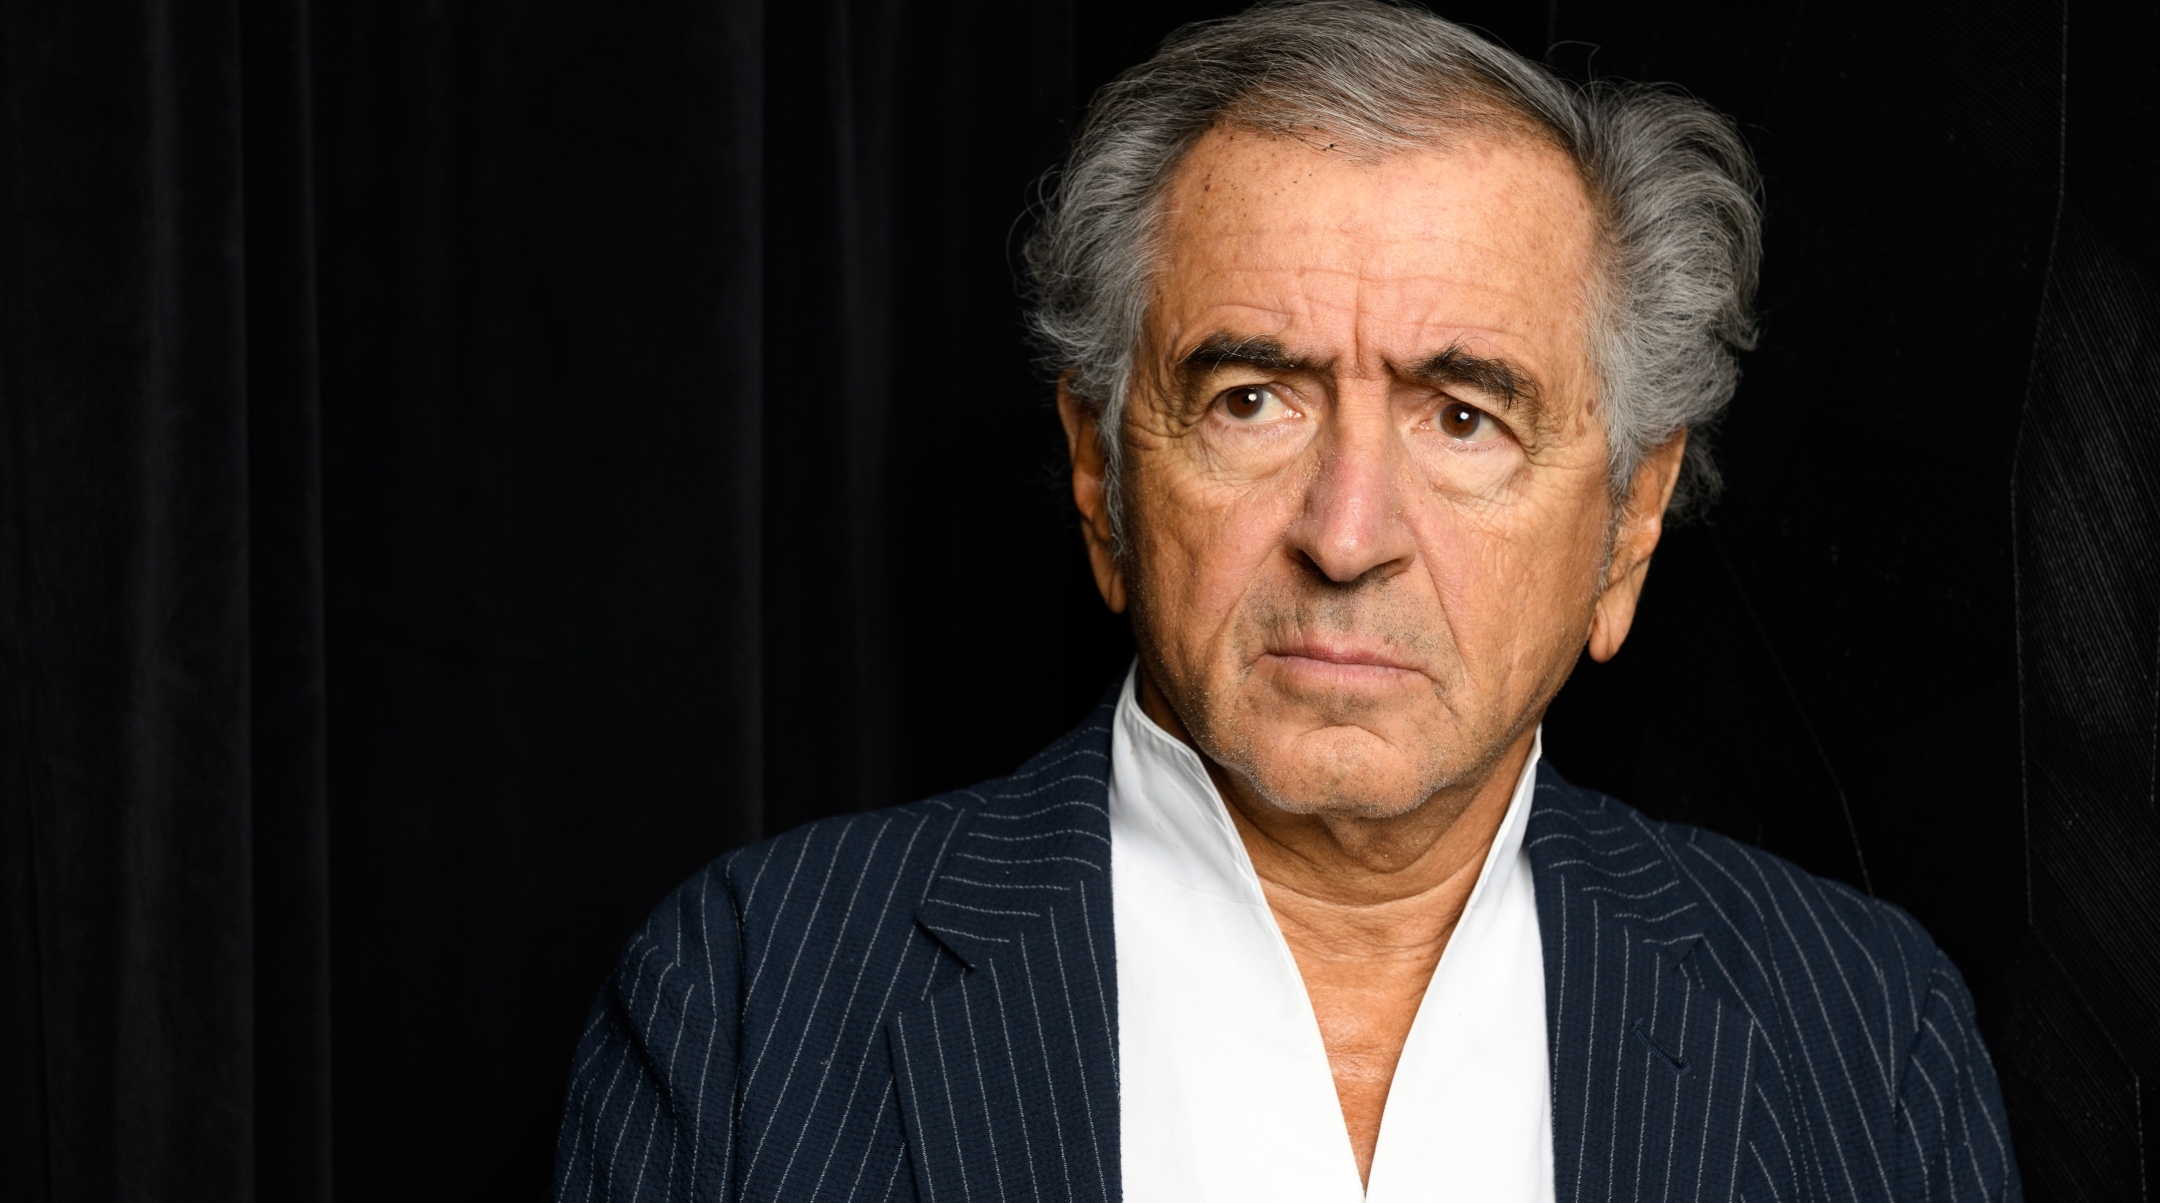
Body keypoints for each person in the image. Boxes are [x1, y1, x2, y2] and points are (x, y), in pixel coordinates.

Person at [553, 2, 2020, 1199]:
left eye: (1464, 418)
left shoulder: (1866, 1039)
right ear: (1099, 475)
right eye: (1253, 398)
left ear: (1627, 526)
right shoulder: (748, 1006)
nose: (1349, 533)